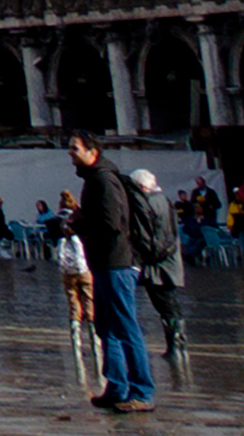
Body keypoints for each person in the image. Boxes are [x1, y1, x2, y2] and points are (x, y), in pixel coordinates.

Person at [71, 134, 156, 414]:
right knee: (106, 326)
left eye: (75, 148)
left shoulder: (103, 180)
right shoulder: (94, 179)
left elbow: (111, 223)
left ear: (92, 151)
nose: (70, 153)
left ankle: (142, 391)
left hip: (116, 262)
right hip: (104, 262)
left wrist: (79, 226)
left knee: (125, 325)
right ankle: (117, 387)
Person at [128, 168, 187, 363]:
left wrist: (146, 256)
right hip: (167, 262)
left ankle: (176, 347)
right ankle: (177, 345)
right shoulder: (164, 200)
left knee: (167, 306)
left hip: (158, 265)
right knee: (171, 306)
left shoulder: (149, 203)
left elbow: (151, 237)